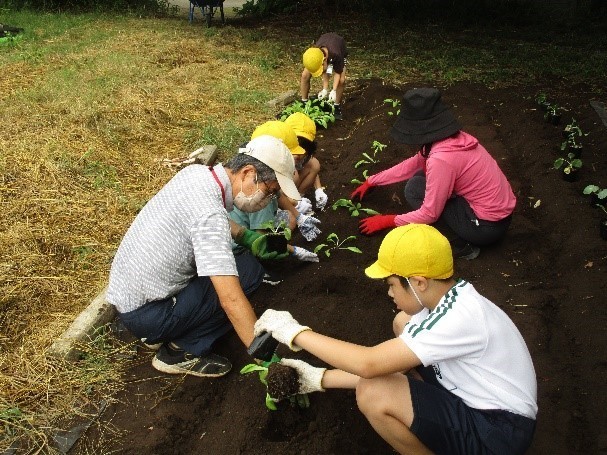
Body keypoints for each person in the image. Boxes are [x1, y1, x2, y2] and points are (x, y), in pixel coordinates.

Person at [254, 224, 538, 455]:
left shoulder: (458, 320)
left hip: (499, 431)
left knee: (373, 394)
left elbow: (369, 365)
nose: (389, 293)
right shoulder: (448, 300)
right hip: (476, 397)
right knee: (402, 323)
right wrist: (318, 378)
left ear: (418, 282)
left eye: (391, 284)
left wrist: (293, 332)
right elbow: (388, 366)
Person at [106, 135, 302, 378]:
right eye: (269, 192)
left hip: (131, 296)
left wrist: (245, 237)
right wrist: (266, 359)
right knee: (249, 273)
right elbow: (230, 300)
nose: (267, 201)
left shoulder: (198, 175)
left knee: (240, 266)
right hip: (147, 313)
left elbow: (205, 216)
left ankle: (162, 329)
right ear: (248, 173)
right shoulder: (210, 218)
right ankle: (180, 351)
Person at [351, 87, 517, 260]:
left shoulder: (441, 159)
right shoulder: (452, 139)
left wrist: (388, 221)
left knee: (415, 189)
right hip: (499, 218)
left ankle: (460, 243)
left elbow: (430, 213)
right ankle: (462, 229)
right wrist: (372, 181)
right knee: (420, 178)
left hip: (485, 228)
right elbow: (415, 163)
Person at [230, 120, 322, 242]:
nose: (295, 160)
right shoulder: (260, 190)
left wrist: (299, 216)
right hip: (238, 242)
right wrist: (291, 250)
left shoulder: (259, 173)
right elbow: (259, 239)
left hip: (241, 228)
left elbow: (278, 195)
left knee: (290, 217)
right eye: (291, 155)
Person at [283, 112, 328, 211]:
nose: (299, 152)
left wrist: (319, 189)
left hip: (289, 188)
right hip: (274, 193)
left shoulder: (305, 154)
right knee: (295, 175)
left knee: (314, 164)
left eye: (304, 144)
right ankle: (291, 205)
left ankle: (298, 197)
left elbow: (313, 168)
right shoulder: (278, 153)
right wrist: (294, 203)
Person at [300, 32, 348, 120]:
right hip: (326, 51)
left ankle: (336, 107)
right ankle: (304, 103)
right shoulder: (315, 53)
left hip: (340, 52)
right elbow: (325, 70)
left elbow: (337, 72)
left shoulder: (336, 54)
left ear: (325, 60)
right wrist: (325, 89)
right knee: (305, 75)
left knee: (341, 81)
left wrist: (333, 90)